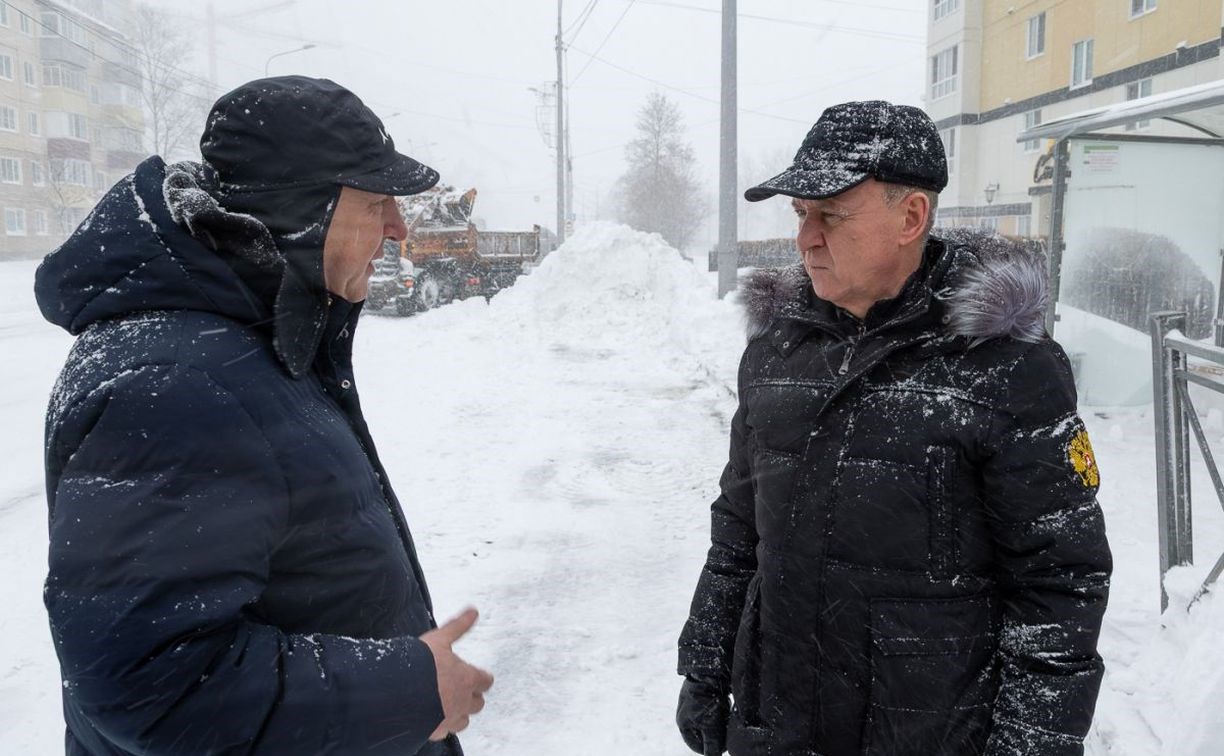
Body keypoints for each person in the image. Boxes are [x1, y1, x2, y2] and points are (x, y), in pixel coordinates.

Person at [35, 76, 492, 755]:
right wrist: (406, 690)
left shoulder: (249, 341)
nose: (398, 226)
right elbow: (152, 685)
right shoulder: (177, 383)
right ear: (303, 215)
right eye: (374, 202)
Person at [676, 101, 1111, 756]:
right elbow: (739, 527)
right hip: (777, 723)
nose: (805, 238)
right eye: (800, 215)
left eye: (831, 215)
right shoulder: (774, 351)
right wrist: (708, 663)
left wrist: (1031, 743)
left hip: (927, 734)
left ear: (911, 217)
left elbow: (1059, 581)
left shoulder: (1006, 363)